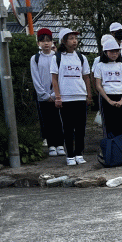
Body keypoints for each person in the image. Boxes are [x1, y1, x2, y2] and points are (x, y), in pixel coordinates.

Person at [51, 28, 93, 166]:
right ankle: (70, 155)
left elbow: (86, 77)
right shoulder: (57, 58)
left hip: (80, 96)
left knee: (80, 128)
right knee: (68, 128)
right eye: (71, 38)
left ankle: (79, 153)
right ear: (63, 41)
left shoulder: (81, 57)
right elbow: (54, 79)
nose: (74, 41)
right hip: (66, 98)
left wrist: (89, 95)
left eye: (75, 38)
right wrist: (58, 97)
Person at [30, 28, 65, 156]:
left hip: (57, 96)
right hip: (43, 97)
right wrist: (44, 95)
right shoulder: (35, 58)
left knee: (58, 120)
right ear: (38, 43)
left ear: (52, 42)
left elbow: (61, 77)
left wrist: (55, 94)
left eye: (48, 40)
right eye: (43, 41)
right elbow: (36, 78)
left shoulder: (58, 57)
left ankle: (60, 144)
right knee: (47, 121)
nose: (46, 43)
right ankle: (51, 145)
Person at [93, 37, 122, 138]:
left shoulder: (121, 65)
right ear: (105, 52)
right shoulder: (100, 66)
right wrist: (109, 100)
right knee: (108, 124)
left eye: (116, 51)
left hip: (120, 96)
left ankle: (121, 144)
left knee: (121, 124)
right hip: (106, 97)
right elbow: (98, 85)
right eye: (111, 51)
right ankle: (109, 145)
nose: (114, 54)